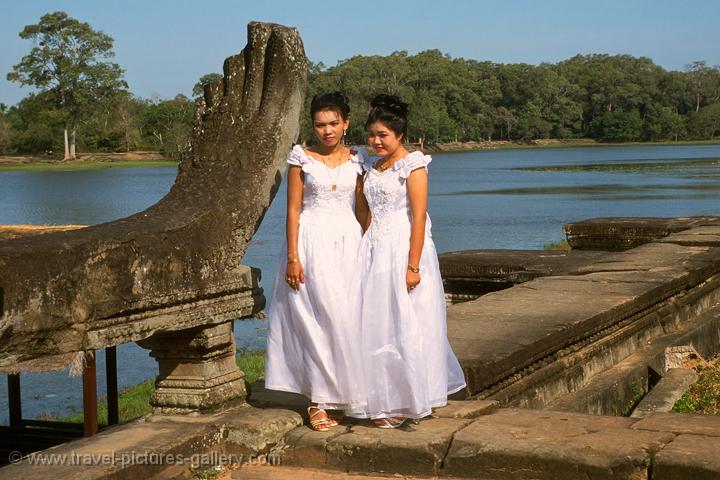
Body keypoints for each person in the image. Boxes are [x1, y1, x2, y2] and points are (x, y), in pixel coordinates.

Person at [348, 94, 466, 428]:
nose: (375, 141)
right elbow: (364, 213)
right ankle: (381, 396)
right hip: (373, 248)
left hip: (405, 248)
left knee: (406, 323)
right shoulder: (370, 168)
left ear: (400, 135)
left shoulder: (413, 165)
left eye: (382, 135)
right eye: (371, 135)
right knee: (375, 324)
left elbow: (418, 218)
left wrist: (413, 266)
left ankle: (409, 397)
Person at [264, 92, 368, 431]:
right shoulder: (301, 159)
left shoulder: (358, 159)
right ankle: (317, 401)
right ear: (313, 126)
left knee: (347, 318)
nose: (327, 131)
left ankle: (345, 394)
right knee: (314, 321)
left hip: (348, 242)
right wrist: (293, 257)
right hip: (310, 242)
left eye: (333, 123)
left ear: (346, 123)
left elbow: (364, 209)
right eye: (320, 125)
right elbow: (292, 211)